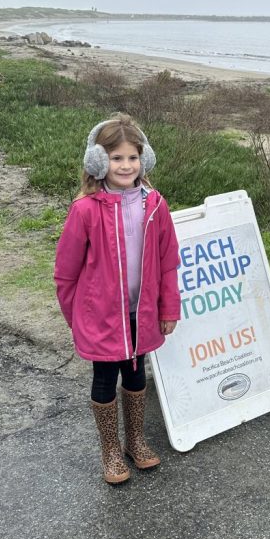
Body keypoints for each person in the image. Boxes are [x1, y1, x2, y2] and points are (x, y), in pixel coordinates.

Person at [54, 114, 180, 484]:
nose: (126, 165)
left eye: (132, 157)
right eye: (116, 158)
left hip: (139, 315)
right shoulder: (85, 209)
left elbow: (169, 261)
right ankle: (110, 450)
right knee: (105, 378)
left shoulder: (155, 204)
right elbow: (65, 273)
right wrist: (76, 319)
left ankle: (135, 440)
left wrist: (168, 306)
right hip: (100, 318)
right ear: (97, 161)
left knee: (137, 376)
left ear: (145, 159)